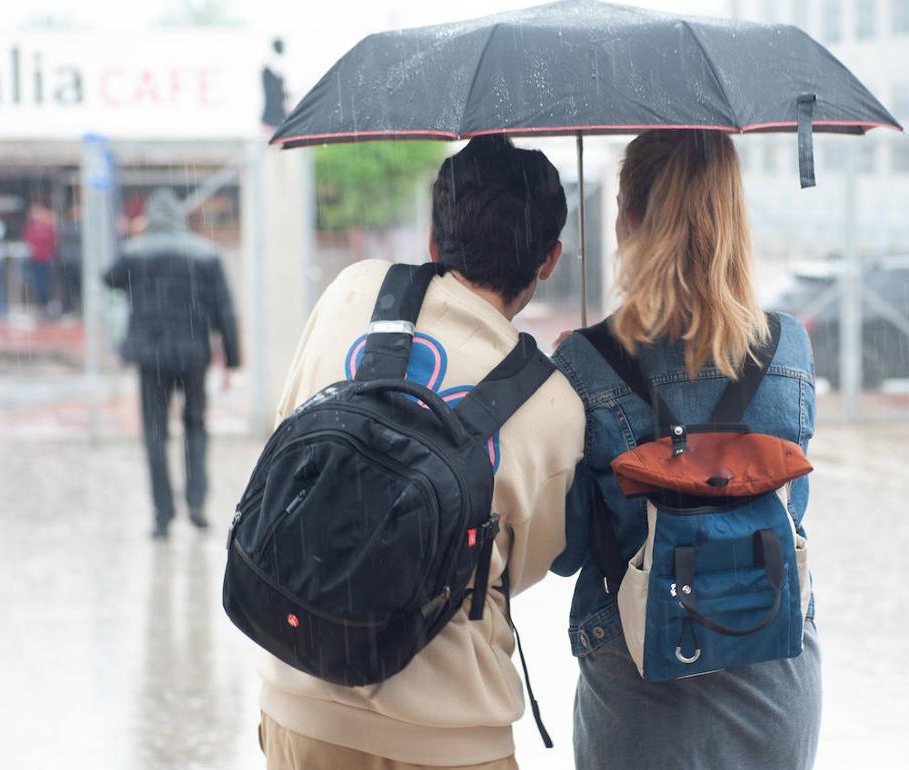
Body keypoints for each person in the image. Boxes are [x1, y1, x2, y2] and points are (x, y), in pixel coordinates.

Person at [256, 136, 584, 770]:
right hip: (450, 730)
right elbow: (520, 571)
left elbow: (286, 438)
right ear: (550, 260)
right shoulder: (555, 404)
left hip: (301, 700)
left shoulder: (353, 292)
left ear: (434, 240)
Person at [551, 130, 822, 770]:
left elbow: (564, 552)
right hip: (774, 666)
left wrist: (575, 386)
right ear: (733, 219)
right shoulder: (789, 349)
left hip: (640, 678)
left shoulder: (585, 361)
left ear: (630, 221)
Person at [103, 188, 240, 539]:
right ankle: (196, 503)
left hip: (151, 358)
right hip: (193, 355)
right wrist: (232, 361)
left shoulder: (135, 252)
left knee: (154, 433)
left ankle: (162, 515)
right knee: (195, 426)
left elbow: (109, 279)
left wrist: (134, 237)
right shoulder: (205, 254)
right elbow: (225, 310)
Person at [22, 200, 58, 315]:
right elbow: (29, 240)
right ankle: (41, 304)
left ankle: (48, 303)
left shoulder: (49, 227)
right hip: (35, 259)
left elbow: (52, 241)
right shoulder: (30, 227)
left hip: (46, 258)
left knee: (47, 282)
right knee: (37, 282)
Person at [57, 204, 83, 316]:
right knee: (69, 287)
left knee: (78, 287)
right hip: (69, 262)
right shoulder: (67, 227)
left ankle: (77, 308)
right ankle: (69, 308)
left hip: (77, 262)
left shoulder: (65, 227)